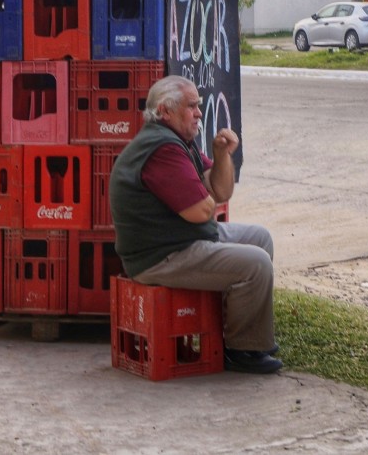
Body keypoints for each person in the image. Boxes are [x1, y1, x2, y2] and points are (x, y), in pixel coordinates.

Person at [110, 74, 281, 374]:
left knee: (260, 238)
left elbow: (221, 192)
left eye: (198, 106)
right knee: (256, 263)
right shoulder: (161, 149)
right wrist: (204, 194)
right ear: (165, 111)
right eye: (191, 106)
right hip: (161, 256)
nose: (199, 113)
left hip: (183, 239)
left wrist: (221, 155)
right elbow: (200, 212)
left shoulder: (178, 142)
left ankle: (246, 334)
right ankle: (241, 350)